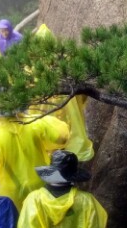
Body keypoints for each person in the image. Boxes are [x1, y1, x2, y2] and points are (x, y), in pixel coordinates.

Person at [0, 113, 69, 210]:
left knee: (18, 222)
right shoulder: (34, 123)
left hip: (11, 193)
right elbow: (61, 138)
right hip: (40, 182)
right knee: (40, 218)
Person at [33, 23, 94, 161]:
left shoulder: (31, 69)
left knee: (49, 169)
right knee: (68, 166)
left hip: (44, 130)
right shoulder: (67, 65)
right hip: (70, 128)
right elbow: (83, 94)